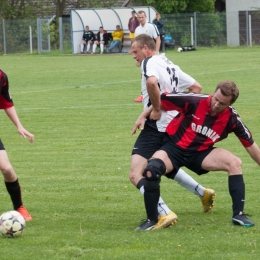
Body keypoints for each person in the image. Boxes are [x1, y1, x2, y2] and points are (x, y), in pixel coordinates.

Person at [135, 80, 259, 230]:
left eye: (222, 104)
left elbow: (251, 146)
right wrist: (143, 115)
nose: (216, 105)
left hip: (201, 153)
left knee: (235, 163)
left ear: (230, 104)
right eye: (216, 99)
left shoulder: (232, 118)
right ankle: (152, 220)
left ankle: (238, 215)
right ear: (213, 93)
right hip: (174, 149)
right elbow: (161, 98)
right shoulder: (195, 100)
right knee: (151, 170)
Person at [130, 34, 216, 230]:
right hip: (173, 125)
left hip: (157, 126)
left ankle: (164, 213)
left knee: (136, 173)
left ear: (145, 48)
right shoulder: (169, 63)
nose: (132, 55)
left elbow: (152, 83)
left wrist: (158, 109)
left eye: (134, 51)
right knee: (164, 166)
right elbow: (196, 87)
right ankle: (203, 192)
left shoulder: (149, 62)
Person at [0, 69, 34, 221]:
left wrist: (19, 126)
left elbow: (6, 102)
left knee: (7, 168)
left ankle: (19, 206)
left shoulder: (1, 77)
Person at [134, 10, 161, 103]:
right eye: (139, 17)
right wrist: (137, 58)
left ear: (145, 17)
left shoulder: (151, 26)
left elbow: (158, 39)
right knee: (143, 74)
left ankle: (157, 92)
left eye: (142, 17)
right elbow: (137, 45)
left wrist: (156, 52)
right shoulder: (137, 29)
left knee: (154, 74)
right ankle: (144, 94)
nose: (141, 19)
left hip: (152, 54)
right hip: (143, 55)